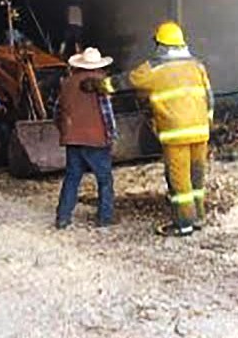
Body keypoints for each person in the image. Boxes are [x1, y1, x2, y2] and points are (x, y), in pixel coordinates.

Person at [88, 21, 213, 237]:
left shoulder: (153, 68)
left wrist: (99, 86)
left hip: (175, 134)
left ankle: (183, 224)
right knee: (197, 176)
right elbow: (210, 98)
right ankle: (198, 217)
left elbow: (125, 81)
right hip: (201, 131)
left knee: (179, 179)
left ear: (161, 44)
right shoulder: (197, 65)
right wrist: (208, 123)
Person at [54, 48, 118, 230]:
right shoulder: (100, 84)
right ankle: (105, 218)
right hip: (96, 139)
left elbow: (57, 112)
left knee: (72, 178)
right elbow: (107, 114)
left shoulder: (66, 83)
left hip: (73, 139)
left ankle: (63, 218)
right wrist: (112, 135)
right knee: (104, 180)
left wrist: (66, 131)